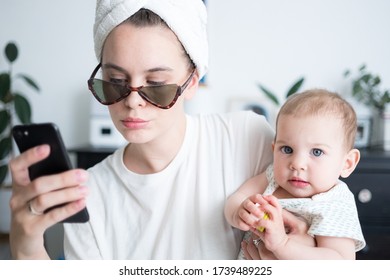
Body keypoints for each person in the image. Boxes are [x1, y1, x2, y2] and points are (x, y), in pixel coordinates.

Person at [9, 0, 310, 260]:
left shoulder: (247, 139)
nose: (132, 102)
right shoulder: (91, 193)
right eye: (115, 80)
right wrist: (26, 249)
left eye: (155, 85)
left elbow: (327, 236)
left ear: (191, 82)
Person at [225, 89, 366, 259]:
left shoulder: (334, 201)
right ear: (274, 149)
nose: (297, 164)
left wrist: (283, 245)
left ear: (347, 163)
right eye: (287, 149)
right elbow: (238, 197)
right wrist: (238, 213)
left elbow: (339, 261)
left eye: (317, 152)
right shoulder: (272, 178)